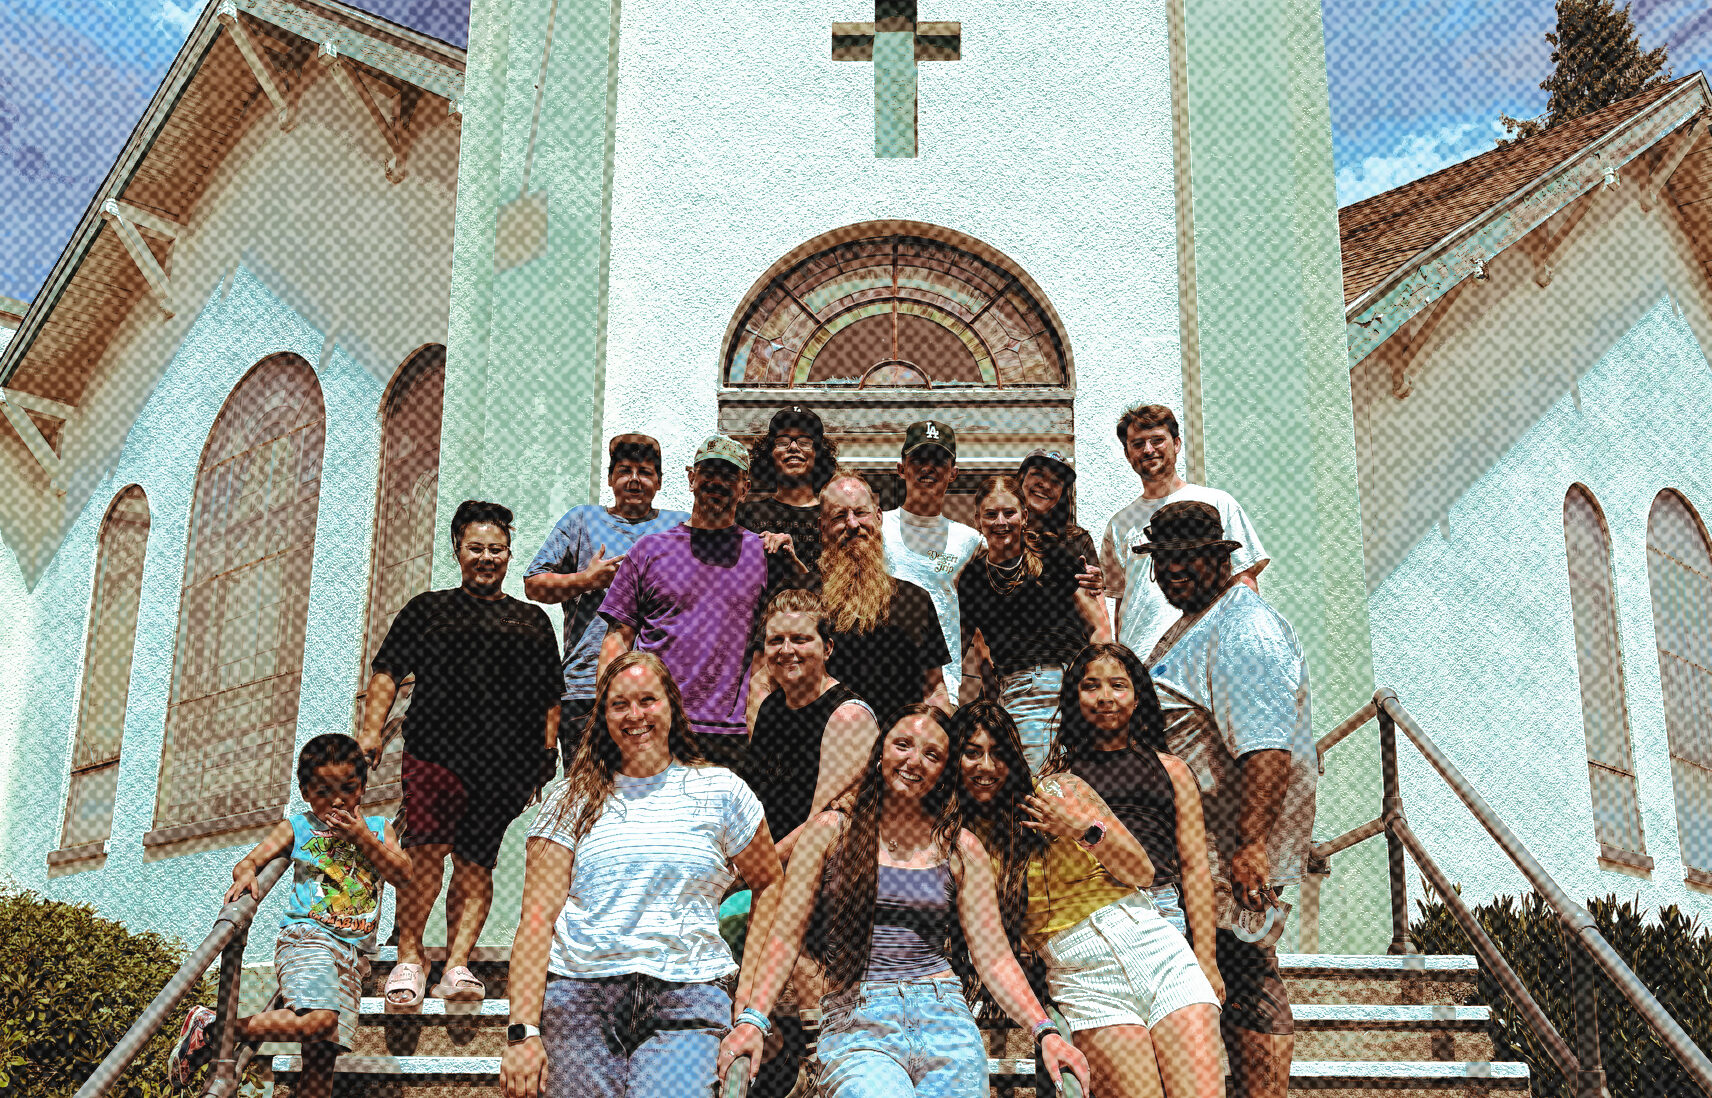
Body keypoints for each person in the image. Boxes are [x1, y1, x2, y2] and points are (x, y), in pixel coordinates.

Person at [722, 705, 1092, 1098]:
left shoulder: (960, 847)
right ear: (881, 751)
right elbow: (785, 935)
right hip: (859, 1020)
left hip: (944, 1018)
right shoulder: (830, 833)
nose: (914, 760)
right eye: (903, 745)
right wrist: (753, 1018)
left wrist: (1045, 1031)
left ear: (943, 772)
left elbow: (994, 956)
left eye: (932, 755)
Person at [499, 652, 782, 1098]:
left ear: (671, 705)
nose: (635, 716)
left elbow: (771, 884)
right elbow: (536, 922)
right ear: (603, 715)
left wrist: (750, 1006)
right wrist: (523, 1033)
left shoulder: (721, 790)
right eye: (619, 705)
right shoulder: (569, 799)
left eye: (648, 700)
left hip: (688, 998)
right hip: (580, 999)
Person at [956, 693, 1224, 1098]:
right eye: (972, 753)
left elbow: (1142, 870)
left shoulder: (1062, 790)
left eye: (997, 752)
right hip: (1083, 978)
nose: (986, 766)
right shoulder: (963, 843)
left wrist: (1080, 827)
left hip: (1152, 944)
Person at [1141, 501, 1317, 1098]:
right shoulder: (1198, 621)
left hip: (1226, 847)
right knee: (1219, 976)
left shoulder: (1244, 627)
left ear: (1220, 558)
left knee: (1245, 970)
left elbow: (1266, 749)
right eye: (1162, 562)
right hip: (1194, 846)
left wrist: (1250, 846)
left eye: (1187, 558)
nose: (1172, 571)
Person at [361, 500, 562, 1010]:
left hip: (503, 768)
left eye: (497, 549)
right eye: (477, 548)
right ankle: (409, 958)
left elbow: (550, 697)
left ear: (510, 554)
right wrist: (370, 732)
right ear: (458, 550)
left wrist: (545, 755)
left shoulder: (531, 620)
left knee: (476, 865)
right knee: (426, 854)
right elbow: (386, 671)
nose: (488, 557)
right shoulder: (428, 610)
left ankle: (457, 964)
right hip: (433, 753)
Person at [170, 735, 413, 1097]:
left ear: (362, 787)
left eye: (347, 788)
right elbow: (250, 860)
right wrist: (247, 872)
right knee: (319, 1021)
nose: (336, 800)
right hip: (308, 938)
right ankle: (215, 1026)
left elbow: (404, 875)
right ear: (304, 790)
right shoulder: (298, 826)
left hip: (354, 958)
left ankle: (213, 1028)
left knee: (320, 1068)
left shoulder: (378, 829)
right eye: (322, 790)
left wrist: (363, 837)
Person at [737, 587, 882, 1097]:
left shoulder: (847, 714)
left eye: (801, 638)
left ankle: (817, 1052)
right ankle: (765, 1037)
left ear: (828, 647)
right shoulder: (774, 707)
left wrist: (753, 869)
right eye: (775, 640)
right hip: (774, 864)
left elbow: (821, 825)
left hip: (829, 867)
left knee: (786, 914)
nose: (787, 650)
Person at [598, 435, 801, 769]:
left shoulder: (763, 554)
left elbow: (801, 624)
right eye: (708, 473)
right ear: (691, 478)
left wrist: (795, 563)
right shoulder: (649, 551)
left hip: (732, 735)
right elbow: (618, 638)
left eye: (729, 476)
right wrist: (607, 713)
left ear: (744, 488)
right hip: (654, 725)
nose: (717, 482)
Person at [525, 434, 689, 774]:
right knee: (588, 795)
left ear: (658, 482)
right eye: (624, 470)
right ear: (611, 478)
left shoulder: (678, 525)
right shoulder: (581, 520)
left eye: (645, 472)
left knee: (655, 798)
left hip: (661, 689)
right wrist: (586, 580)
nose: (634, 480)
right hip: (587, 688)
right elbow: (534, 583)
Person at [760, 471, 951, 726]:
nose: (852, 524)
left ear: (879, 517)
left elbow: (935, 690)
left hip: (896, 755)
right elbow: (765, 681)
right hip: (815, 755)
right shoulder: (800, 597)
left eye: (861, 513)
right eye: (839, 516)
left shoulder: (916, 601)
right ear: (822, 527)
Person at [958, 475, 1112, 772]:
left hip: (1073, 684)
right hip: (1020, 693)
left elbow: (1098, 627)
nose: (1000, 521)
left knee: (1087, 787)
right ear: (977, 520)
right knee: (1040, 792)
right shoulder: (974, 578)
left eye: (1009, 513)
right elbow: (968, 647)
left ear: (1024, 516)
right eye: (990, 514)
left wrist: (1097, 681)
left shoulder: (1054, 557)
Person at [1100, 404, 1269, 659]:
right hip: (1141, 663)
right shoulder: (1119, 524)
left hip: (1204, 657)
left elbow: (1243, 582)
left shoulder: (1218, 503)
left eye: (1157, 440)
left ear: (1176, 444)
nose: (1148, 450)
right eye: (1137, 444)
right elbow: (1123, 602)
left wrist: (1246, 651)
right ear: (1127, 453)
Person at [879, 421, 987, 706]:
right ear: (901, 468)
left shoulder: (970, 540)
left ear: (953, 473)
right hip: (878, 674)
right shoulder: (876, 528)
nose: (928, 468)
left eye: (938, 460)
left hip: (939, 687)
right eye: (918, 459)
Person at [739, 405, 839, 570]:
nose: (793, 447)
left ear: (818, 453)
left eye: (805, 441)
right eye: (782, 441)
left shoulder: (835, 517)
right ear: (769, 452)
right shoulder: (745, 514)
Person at [1018, 447, 1100, 567]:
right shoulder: (1000, 531)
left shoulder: (1079, 541)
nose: (1046, 485)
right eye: (1038, 473)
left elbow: (1100, 584)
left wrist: (1096, 582)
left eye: (1056, 480)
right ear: (1022, 478)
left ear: (1062, 493)